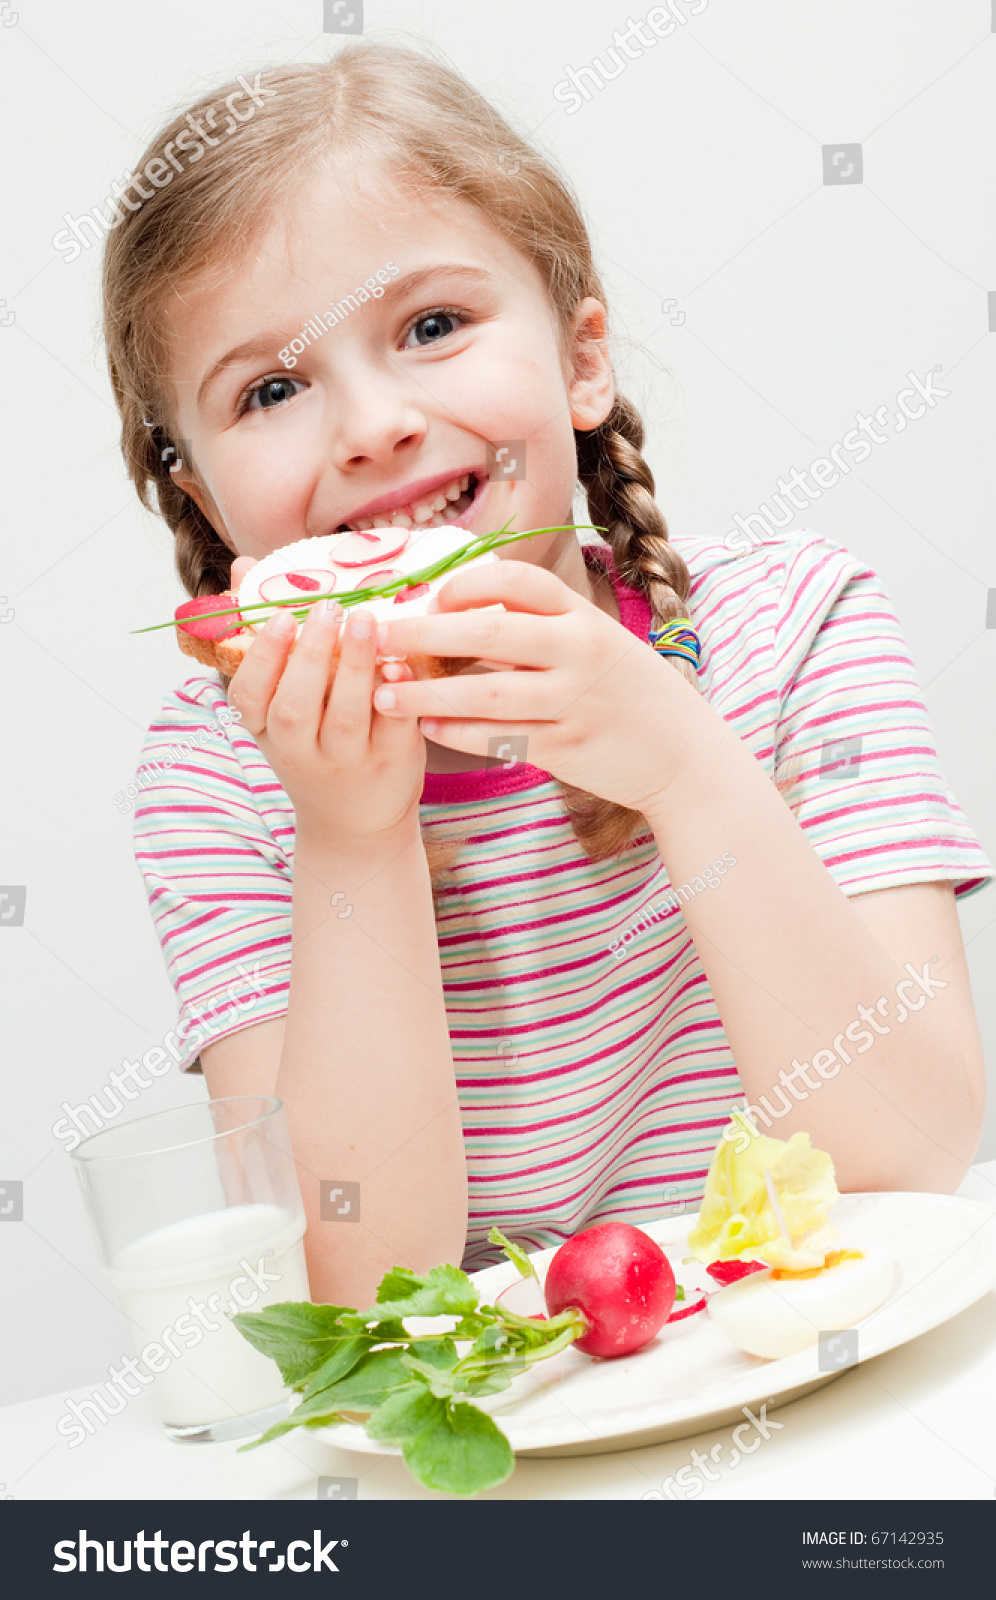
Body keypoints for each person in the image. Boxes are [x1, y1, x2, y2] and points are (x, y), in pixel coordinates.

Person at [104, 43, 990, 1309]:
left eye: (432, 325)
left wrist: (680, 763)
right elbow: (365, 1294)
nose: (372, 425)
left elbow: (912, 1158)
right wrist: (354, 837)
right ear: (202, 497)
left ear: (582, 360)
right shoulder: (219, 778)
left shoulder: (796, 627)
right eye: (275, 387)